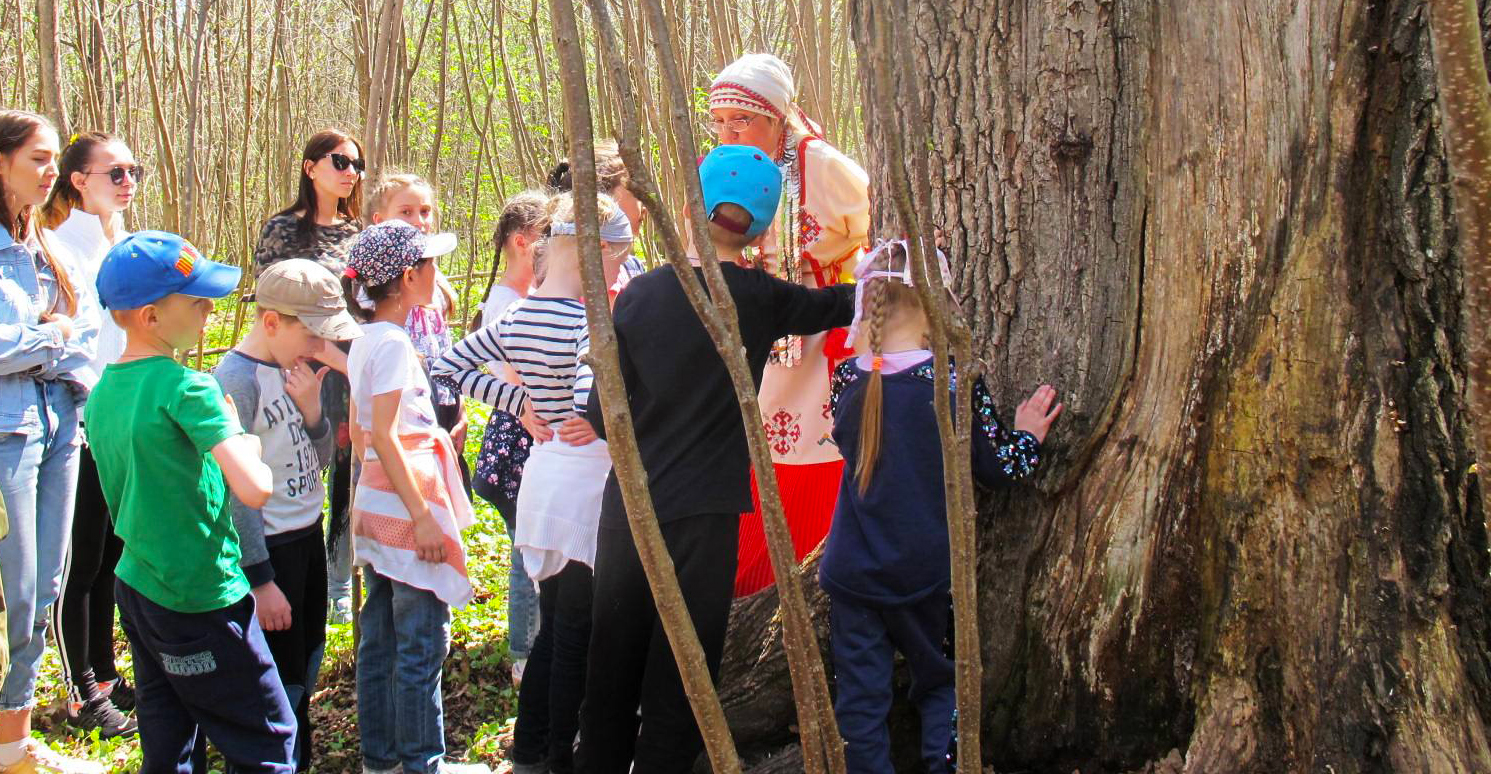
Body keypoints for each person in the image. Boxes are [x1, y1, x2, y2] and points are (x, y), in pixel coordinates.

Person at [576, 146, 853, 774]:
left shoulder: (641, 295)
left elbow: (600, 413)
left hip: (632, 511)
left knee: (612, 663)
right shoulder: (756, 298)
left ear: (686, 210)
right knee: (683, 675)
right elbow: (836, 305)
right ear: (759, 230)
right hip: (708, 514)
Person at [820, 240, 1061, 772]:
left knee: (860, 705)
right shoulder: (954, 383)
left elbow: (844, 440)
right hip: (926, 575)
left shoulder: (848, 380)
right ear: (936, 305)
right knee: (941, 684)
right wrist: (1027, 437)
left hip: (853, 573)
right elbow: (999, 469)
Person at [433, 194, 633, 774]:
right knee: (575, 635)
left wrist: (519, 401)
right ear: (594, 252)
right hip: (581, 485)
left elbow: (450, 364)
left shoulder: (519, 315)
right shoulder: (585, 322)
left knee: (557, 627)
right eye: (616, 259)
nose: (617, 271)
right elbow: (589, 399)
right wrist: (561, 410)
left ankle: (531, 749)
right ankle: (556, 758)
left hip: (546, 481)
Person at [86, 230, 295, 773]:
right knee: (268, 739)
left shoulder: (103, 390)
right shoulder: (190, 389)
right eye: (197, 300)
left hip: (138, 585)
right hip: (200, 597)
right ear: (151, 317)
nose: (209, 309)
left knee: (170, 730)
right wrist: (239, 433)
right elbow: (255, 488)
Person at [706, 53, 871, 597]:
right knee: (760, 451)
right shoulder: (723, 168)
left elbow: (874, 233)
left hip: (827, 334)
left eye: (742, 119)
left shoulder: (824, 166)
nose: (729, 132)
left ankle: (814, 566)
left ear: (778, 118)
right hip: (762, 337)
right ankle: (745, 580)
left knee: (821, 450)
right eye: (721, 120)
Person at [341, 221, 488, 774]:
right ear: (408, 277)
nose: (437, 273)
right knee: (420, 643)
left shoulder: (367, 341)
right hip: (406, 513)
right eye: (429, 265)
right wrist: (424, 517)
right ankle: (422, 762)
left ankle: (381, 760)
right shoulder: (396, 345)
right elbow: (381, 433)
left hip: (377, 508)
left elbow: (364, 434)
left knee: (378, 638)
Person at [213, 259, 363, 771]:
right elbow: (233, 492)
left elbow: (317, 460)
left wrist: (315, 411)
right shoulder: (236, 380)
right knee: (272, 679)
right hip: (269, 552)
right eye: (312, 333)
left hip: (306, 537)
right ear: (271, 322)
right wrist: (260, 580)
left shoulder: (293, 371)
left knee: (306, 660)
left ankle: (295, 758)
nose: (320, 346)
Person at [0, 110, 104, 774]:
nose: (48, 171)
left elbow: (87, 340)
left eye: (51, 160)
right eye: (36, 158)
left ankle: (13, 744)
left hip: (62, 428)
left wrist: (51, 341)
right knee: (11, 587)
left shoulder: (56, 252)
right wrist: (51, 337)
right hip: (7, 433)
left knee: (43, 589)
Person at [39, 130, 142, 738]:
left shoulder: (129, 246)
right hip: (78, 423)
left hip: (125, 422)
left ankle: (105, 675)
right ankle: (79, 692)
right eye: (115, 172)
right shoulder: (54, 247)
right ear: (78, 180)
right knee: (77, 561)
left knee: (111, 555)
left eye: (133, 172)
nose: (128, 182)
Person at [253, 128, 366, 623]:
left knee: (343, 468)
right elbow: (268, 302)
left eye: (357, 165)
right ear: (310, 167)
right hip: (296, 364)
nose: (350, 173)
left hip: (345, 366)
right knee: (294, 463)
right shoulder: (283, 229)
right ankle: (278, 567)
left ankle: (337, 580)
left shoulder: (357, 232)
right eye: (340, 162)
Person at [467, 190, 548, 686]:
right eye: (546, 238)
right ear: (523, 242)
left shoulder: (528, 297)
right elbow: (517, 376)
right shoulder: (506, 303)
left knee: (533, 544)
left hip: (530, 432)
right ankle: (524, 656)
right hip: (516, 435)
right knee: (526, 549)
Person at [365, 174, 468, 490]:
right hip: (405, 415)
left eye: (425, 211)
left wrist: (460, 410)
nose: (419, 220)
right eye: (406, 212)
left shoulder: (432, 282)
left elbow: (443, 348)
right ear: (380, 221)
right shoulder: (375, 291)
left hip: (443, 408)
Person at [546, 142, 646, 296]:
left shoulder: (633, 267)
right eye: (636, 194)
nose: (644, 207)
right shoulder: (569, 280)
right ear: (602, 200)